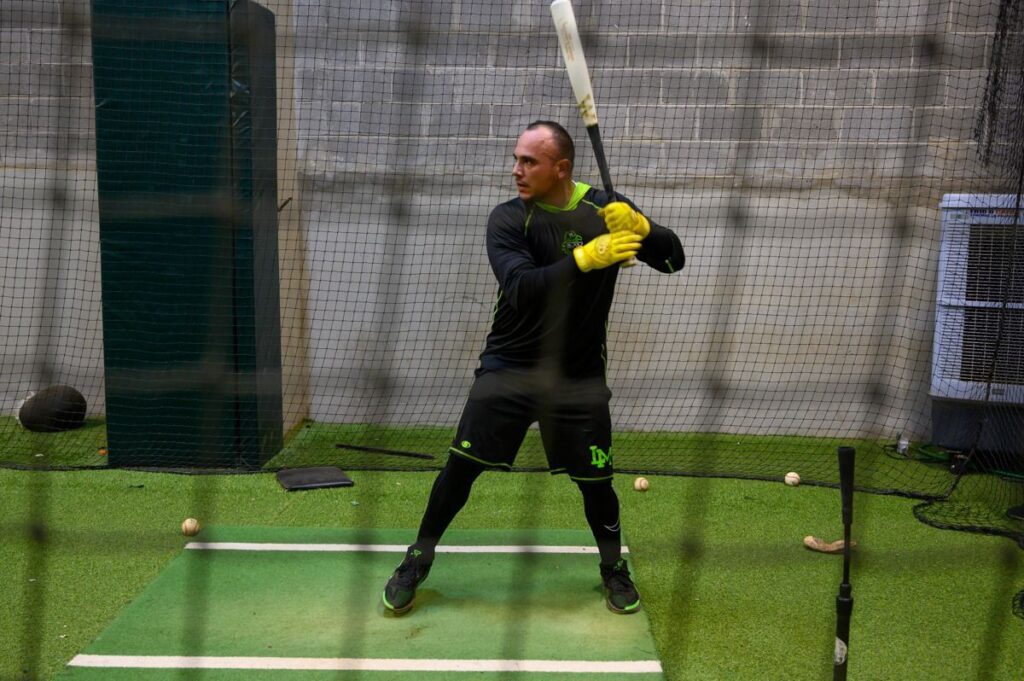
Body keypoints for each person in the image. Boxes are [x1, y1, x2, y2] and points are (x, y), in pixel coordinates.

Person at [382, 120, 685, 615]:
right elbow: (522, 289)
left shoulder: (604, 208)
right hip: (510, 363)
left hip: (578, 372)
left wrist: (644, 228)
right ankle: (418, 556)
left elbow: (673, 262)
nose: (516, 170)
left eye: (529, 162)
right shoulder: (508, 219)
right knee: (461, 468)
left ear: (560, 168)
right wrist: (587, 257)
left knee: (596, 481)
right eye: (516, 159)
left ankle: (613, 569)